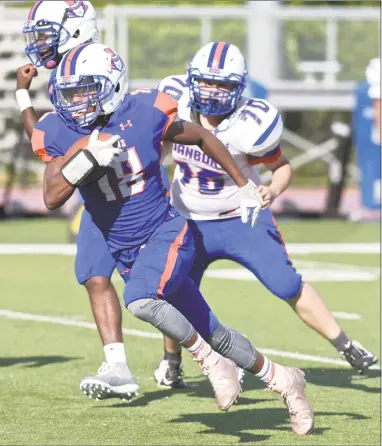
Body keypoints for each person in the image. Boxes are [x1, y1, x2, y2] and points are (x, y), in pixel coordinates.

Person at [31, 41, 314, 435]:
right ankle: (284, 380)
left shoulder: (144, 112)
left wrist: (244, 185)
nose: (76, 103)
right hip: (126, 249)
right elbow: (51, 195)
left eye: (85, 91)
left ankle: (209, 360)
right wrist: (84, 158)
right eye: (70, 93)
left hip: (167, 231)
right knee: (215, 331)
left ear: (110, 85)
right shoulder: (63, 129)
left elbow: (200, 137)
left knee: (140, 300)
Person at [152, 41, 378, 387]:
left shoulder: (249, 122)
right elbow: (160, 143)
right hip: (187, 218)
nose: (212, 92)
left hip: (239, 217)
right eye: (206, 82)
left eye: (222, 85)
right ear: (191, 80)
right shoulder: (174, 100)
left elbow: (282, 167)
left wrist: (271, 190)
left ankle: (345, 344)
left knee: (287, 283)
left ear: (238, 88)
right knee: (173, 289)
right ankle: (171, 361)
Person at [17, 0, 140, 400]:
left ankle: (204, 352)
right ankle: (118, 365)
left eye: (45, 35)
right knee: (94, 274)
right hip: (97, 197)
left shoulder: (95, 69)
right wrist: (23, 96)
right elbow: (47, 139)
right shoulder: (63, 80)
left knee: (157, 290)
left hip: (134, 195)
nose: (39, 45)